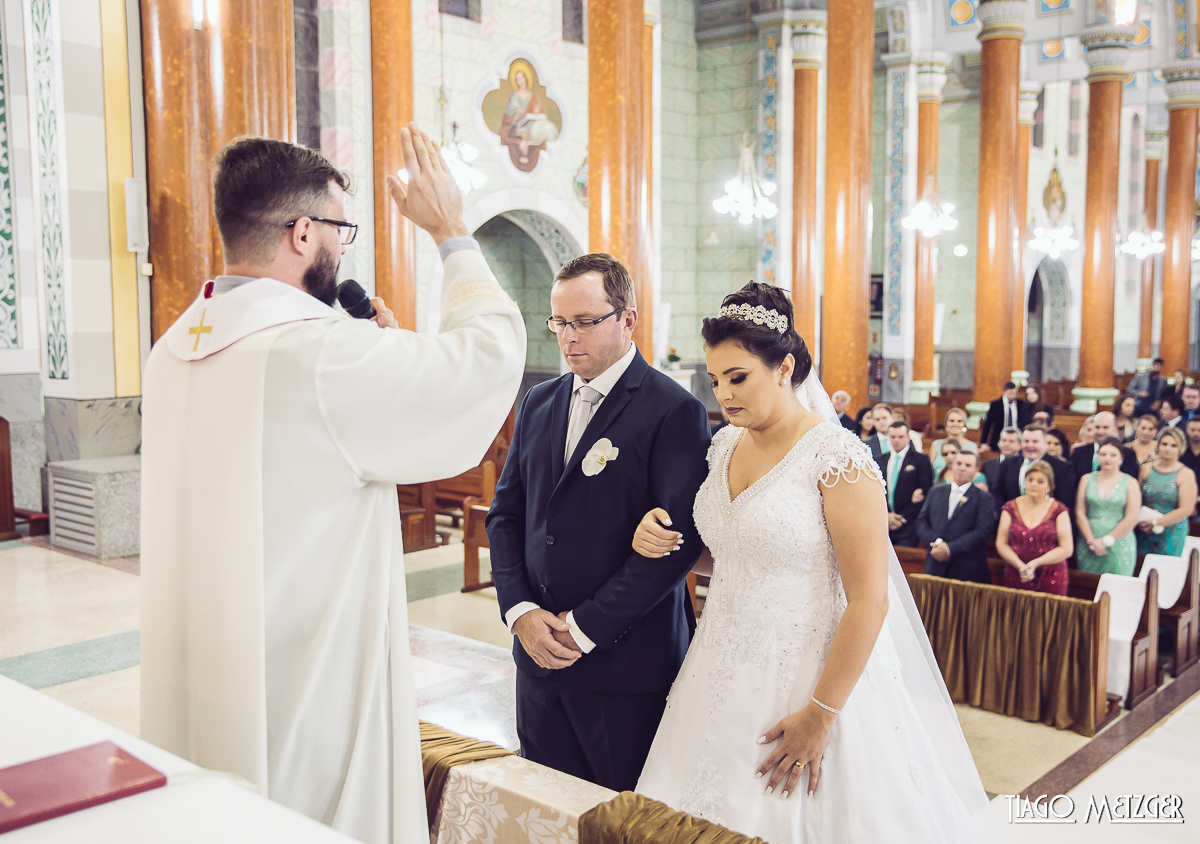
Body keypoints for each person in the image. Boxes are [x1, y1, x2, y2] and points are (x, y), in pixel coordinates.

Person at [140, 128, 526, 844]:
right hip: (303, 687)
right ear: (303, 231)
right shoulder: (318, 355)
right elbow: (486, 358)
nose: (342, 249)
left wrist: (371, 348)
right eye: (340, 231)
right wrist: (450, 231)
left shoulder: (173, 349)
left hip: (202, 673)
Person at [631, 283, 987, 842]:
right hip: (718, 668)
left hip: (810, 679)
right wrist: (667, 542)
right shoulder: (724, 446)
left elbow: (870, 600)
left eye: (738, 377)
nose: (723, 394)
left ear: (784, 367)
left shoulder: (838, 458)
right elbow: (730, 554)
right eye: (715, 380)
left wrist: (821, 715)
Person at [486, 253, 711, 792]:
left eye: (585, 321)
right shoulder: (539, 401)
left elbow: (677, 546)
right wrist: (520, 613)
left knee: (618, 815)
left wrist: (583, 628)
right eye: (559, 322)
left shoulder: (672, 409)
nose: (568, 337)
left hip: (623, 665)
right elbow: (506, 515)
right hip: (537, 655)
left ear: (627, 319)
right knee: (544, 805)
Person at [916, 450, 997, 584]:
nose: (962, 468)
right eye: (958, 463)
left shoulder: (984, 498)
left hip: (966, 568)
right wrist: (936, 544)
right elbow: (921, 521)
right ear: (952, 465)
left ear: (976, 469)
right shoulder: (935, 491)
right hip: (935, 564)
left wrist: (949, 549)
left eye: (968, 465)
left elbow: (983, 531)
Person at [995, 461, 1073, 596]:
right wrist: (1020, 566)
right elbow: (1001, 543)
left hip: (1051, 574)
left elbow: (1066, 548)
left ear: (1049, 486)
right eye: (1030, 480)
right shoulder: (1010, 508)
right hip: (1017, 571)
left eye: (1040, 481)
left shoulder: (1059, 510)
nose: (1034, 484)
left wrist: (1036, 563)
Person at [1074, 437, 1142, 576]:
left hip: (1119, 541)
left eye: (1113, 455)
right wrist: (1091, 540)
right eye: (1103, 454)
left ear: (1121, 458)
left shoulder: (1130, 482)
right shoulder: (1086, 479)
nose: (1107, 459)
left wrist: (1106, 540)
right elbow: (1080, 512)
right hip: (1089, 540)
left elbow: (1132, 517)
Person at [1136, 427, 1198, 557]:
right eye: (1164, 444)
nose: (1168, 448)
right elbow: (1136, 499)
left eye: (1173, 445)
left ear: (1180, 448)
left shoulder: (1185, 474)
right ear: (1158, 445)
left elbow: (1186, 509)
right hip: (1144, 529)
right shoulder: (1146, 469)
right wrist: (1141, 521)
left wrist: (1156, 523)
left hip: (1172, 532)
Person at [992, 425, 1076, 513]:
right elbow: (997, 491)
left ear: (1045, 443)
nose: (1030, 445)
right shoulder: (1007, 463)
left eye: (1035, 441)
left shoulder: (1062, 467)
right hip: (1011, 520)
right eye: (1026, 441)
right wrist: (1008, 514)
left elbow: (1064, 500)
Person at [878, 420, 934, 548]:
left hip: (909, 525)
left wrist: (902, 518)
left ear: (908, 438)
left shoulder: (921, 460)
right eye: (892, 437)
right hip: (883, 522)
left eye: (900, 437)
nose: (896, 440)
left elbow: (925, 492)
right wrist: (886, 515)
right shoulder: (879, 460)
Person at [1068, 411, 1139, 479]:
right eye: (1097, 427)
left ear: (1115, 429)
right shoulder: (1079, 452)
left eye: (1105, 427)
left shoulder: (1128, 454)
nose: (1100, 432)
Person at [980, 381, 1031, 450]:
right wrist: (983, 442)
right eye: (1010, 393)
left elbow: (1025, 422)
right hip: (999, 438)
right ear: (1004, 392)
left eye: (1015, 393)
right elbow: (988, 424)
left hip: (1016, 437)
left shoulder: (1021, 404)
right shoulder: (995, 405)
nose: (1013, 396)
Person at [928, 407, 969, 474]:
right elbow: (929, 470)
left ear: (964, 424)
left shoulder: (972, 446)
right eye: (951, 421)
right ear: (946, 423)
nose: (955, 424)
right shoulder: (936, 445)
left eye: (959, 421)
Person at [1180, 416, 1200, 481]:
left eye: (1199, 430)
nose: (1196, 433)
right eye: (1192, 430)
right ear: (1186, 430)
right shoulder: (1180, 450)